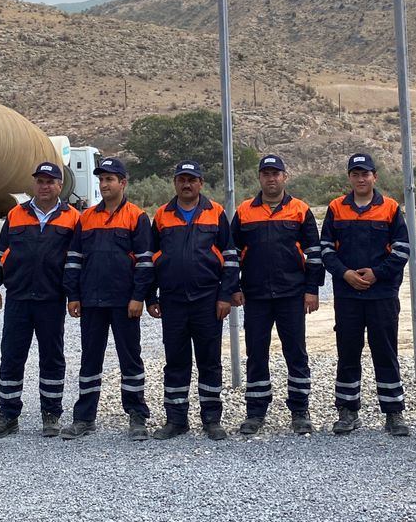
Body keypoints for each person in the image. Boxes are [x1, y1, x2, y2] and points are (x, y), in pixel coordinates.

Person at [0, 163, 80, 440]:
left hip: (51, 299)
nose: (44, 186)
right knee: (12, 357)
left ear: (60, 185)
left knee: (52, 358)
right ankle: (8, 415)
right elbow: (0, 254)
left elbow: (75, 261)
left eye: (50, 181)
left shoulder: (72, 218)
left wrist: (73, 295)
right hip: (18, 298)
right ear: (34, 184)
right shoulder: (16, 214)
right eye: (40, 181)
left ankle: (51, 415)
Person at [230, 154, 324, 436]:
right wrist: (233, 287)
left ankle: (300, 410)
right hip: (256, 296)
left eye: (276, 173)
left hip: (292, 294)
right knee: (256, 353)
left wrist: (312, 289)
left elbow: (314, 253)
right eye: (266, 173)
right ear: (259, 177)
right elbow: (232, 254)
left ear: (285, 176)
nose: (271, 178)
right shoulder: (245, 211)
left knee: (295, 352)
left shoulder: (300, 210)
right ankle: (255, 411)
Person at [61, 157, 153, 441]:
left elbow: (145, 262)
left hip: (125, 303)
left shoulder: (137, 217)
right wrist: (73, 295)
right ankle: (84, 418)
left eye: (109, 179)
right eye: (101, 180)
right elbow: (74, 259)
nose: (104, 185)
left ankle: (137, 416)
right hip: (91, 301)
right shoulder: (86, 217)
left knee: (130, 359)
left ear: (123, 183)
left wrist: (139, 297)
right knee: (90, 360)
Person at [147, 160, 239, 441]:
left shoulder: (216, 213)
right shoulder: (162, 215)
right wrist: (151, 296)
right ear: (175, 182)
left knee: (209, 360)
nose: (186, 184)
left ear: (201, 183)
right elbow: (150, 258)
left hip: (207, 300)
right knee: (175, 360)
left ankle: (212, 419)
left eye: (192, 179)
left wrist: (225, 295)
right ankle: (176, 420)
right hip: (173, 300)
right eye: (181, 179)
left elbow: (231, 256)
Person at [320, 153, 411, 437]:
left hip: (382, 293)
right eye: (355, 174)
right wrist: (345, 273)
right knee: (348, 352)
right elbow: (325, 249)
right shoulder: (336, 208)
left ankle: (393, 412)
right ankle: (347, 411)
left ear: (375, 176)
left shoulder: (391, 208)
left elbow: (402, 250)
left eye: (366, 173)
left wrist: (377, 273)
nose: (361, 179)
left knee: (385, 351)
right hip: (348, 296)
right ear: (349, 177)